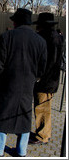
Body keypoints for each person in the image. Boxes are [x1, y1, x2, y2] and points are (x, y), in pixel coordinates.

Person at [0, 8, 47, 157]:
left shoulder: (7, 36)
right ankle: (21, 151)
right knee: (25, 115)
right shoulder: (40, 41)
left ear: (16, 22)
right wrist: (34, 78)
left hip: (7, 84)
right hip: (28, 85)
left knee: (3, 114)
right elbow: (42, 67)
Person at [29, 13, 63, 145]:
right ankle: (43, 133)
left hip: (45, 81)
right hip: (50, 80)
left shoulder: (48, 38)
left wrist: (39, 77)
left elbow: (49, 61)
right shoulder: (56, 37)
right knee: (44, 107)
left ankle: (42, 135)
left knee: (42, 108)